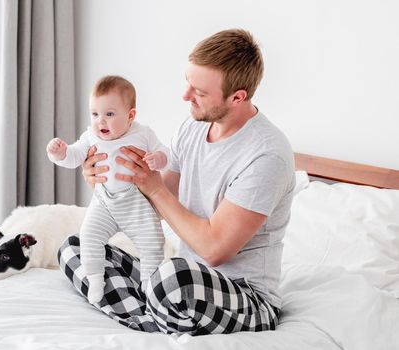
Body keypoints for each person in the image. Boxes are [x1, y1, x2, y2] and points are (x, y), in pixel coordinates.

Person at [58, 29, 295, 335]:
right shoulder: (193, 128)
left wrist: (154, 186)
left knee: (171, 279)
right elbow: (150, 205)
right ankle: (155, 314)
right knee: (74, 248)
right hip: (180, 283)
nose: (185, 96)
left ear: (238, 97)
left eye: (200, 92)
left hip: (245, 297)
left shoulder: (267, 155)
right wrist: (107, 184)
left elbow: (213, 249)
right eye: (188, 83)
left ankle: (153, 309)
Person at [47, 75, 169, 304]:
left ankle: (148, 287)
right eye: (95, 114)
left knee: (153, 241)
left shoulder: (143, 134)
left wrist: (158, 158)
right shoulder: (90, 137)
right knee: (88, 235)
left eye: (109, 114)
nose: (100, 121)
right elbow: (73, 157)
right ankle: (95, 278)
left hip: (136, 203)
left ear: (130, 115)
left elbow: (166, 155)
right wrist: (59, 153)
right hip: (104, 201)